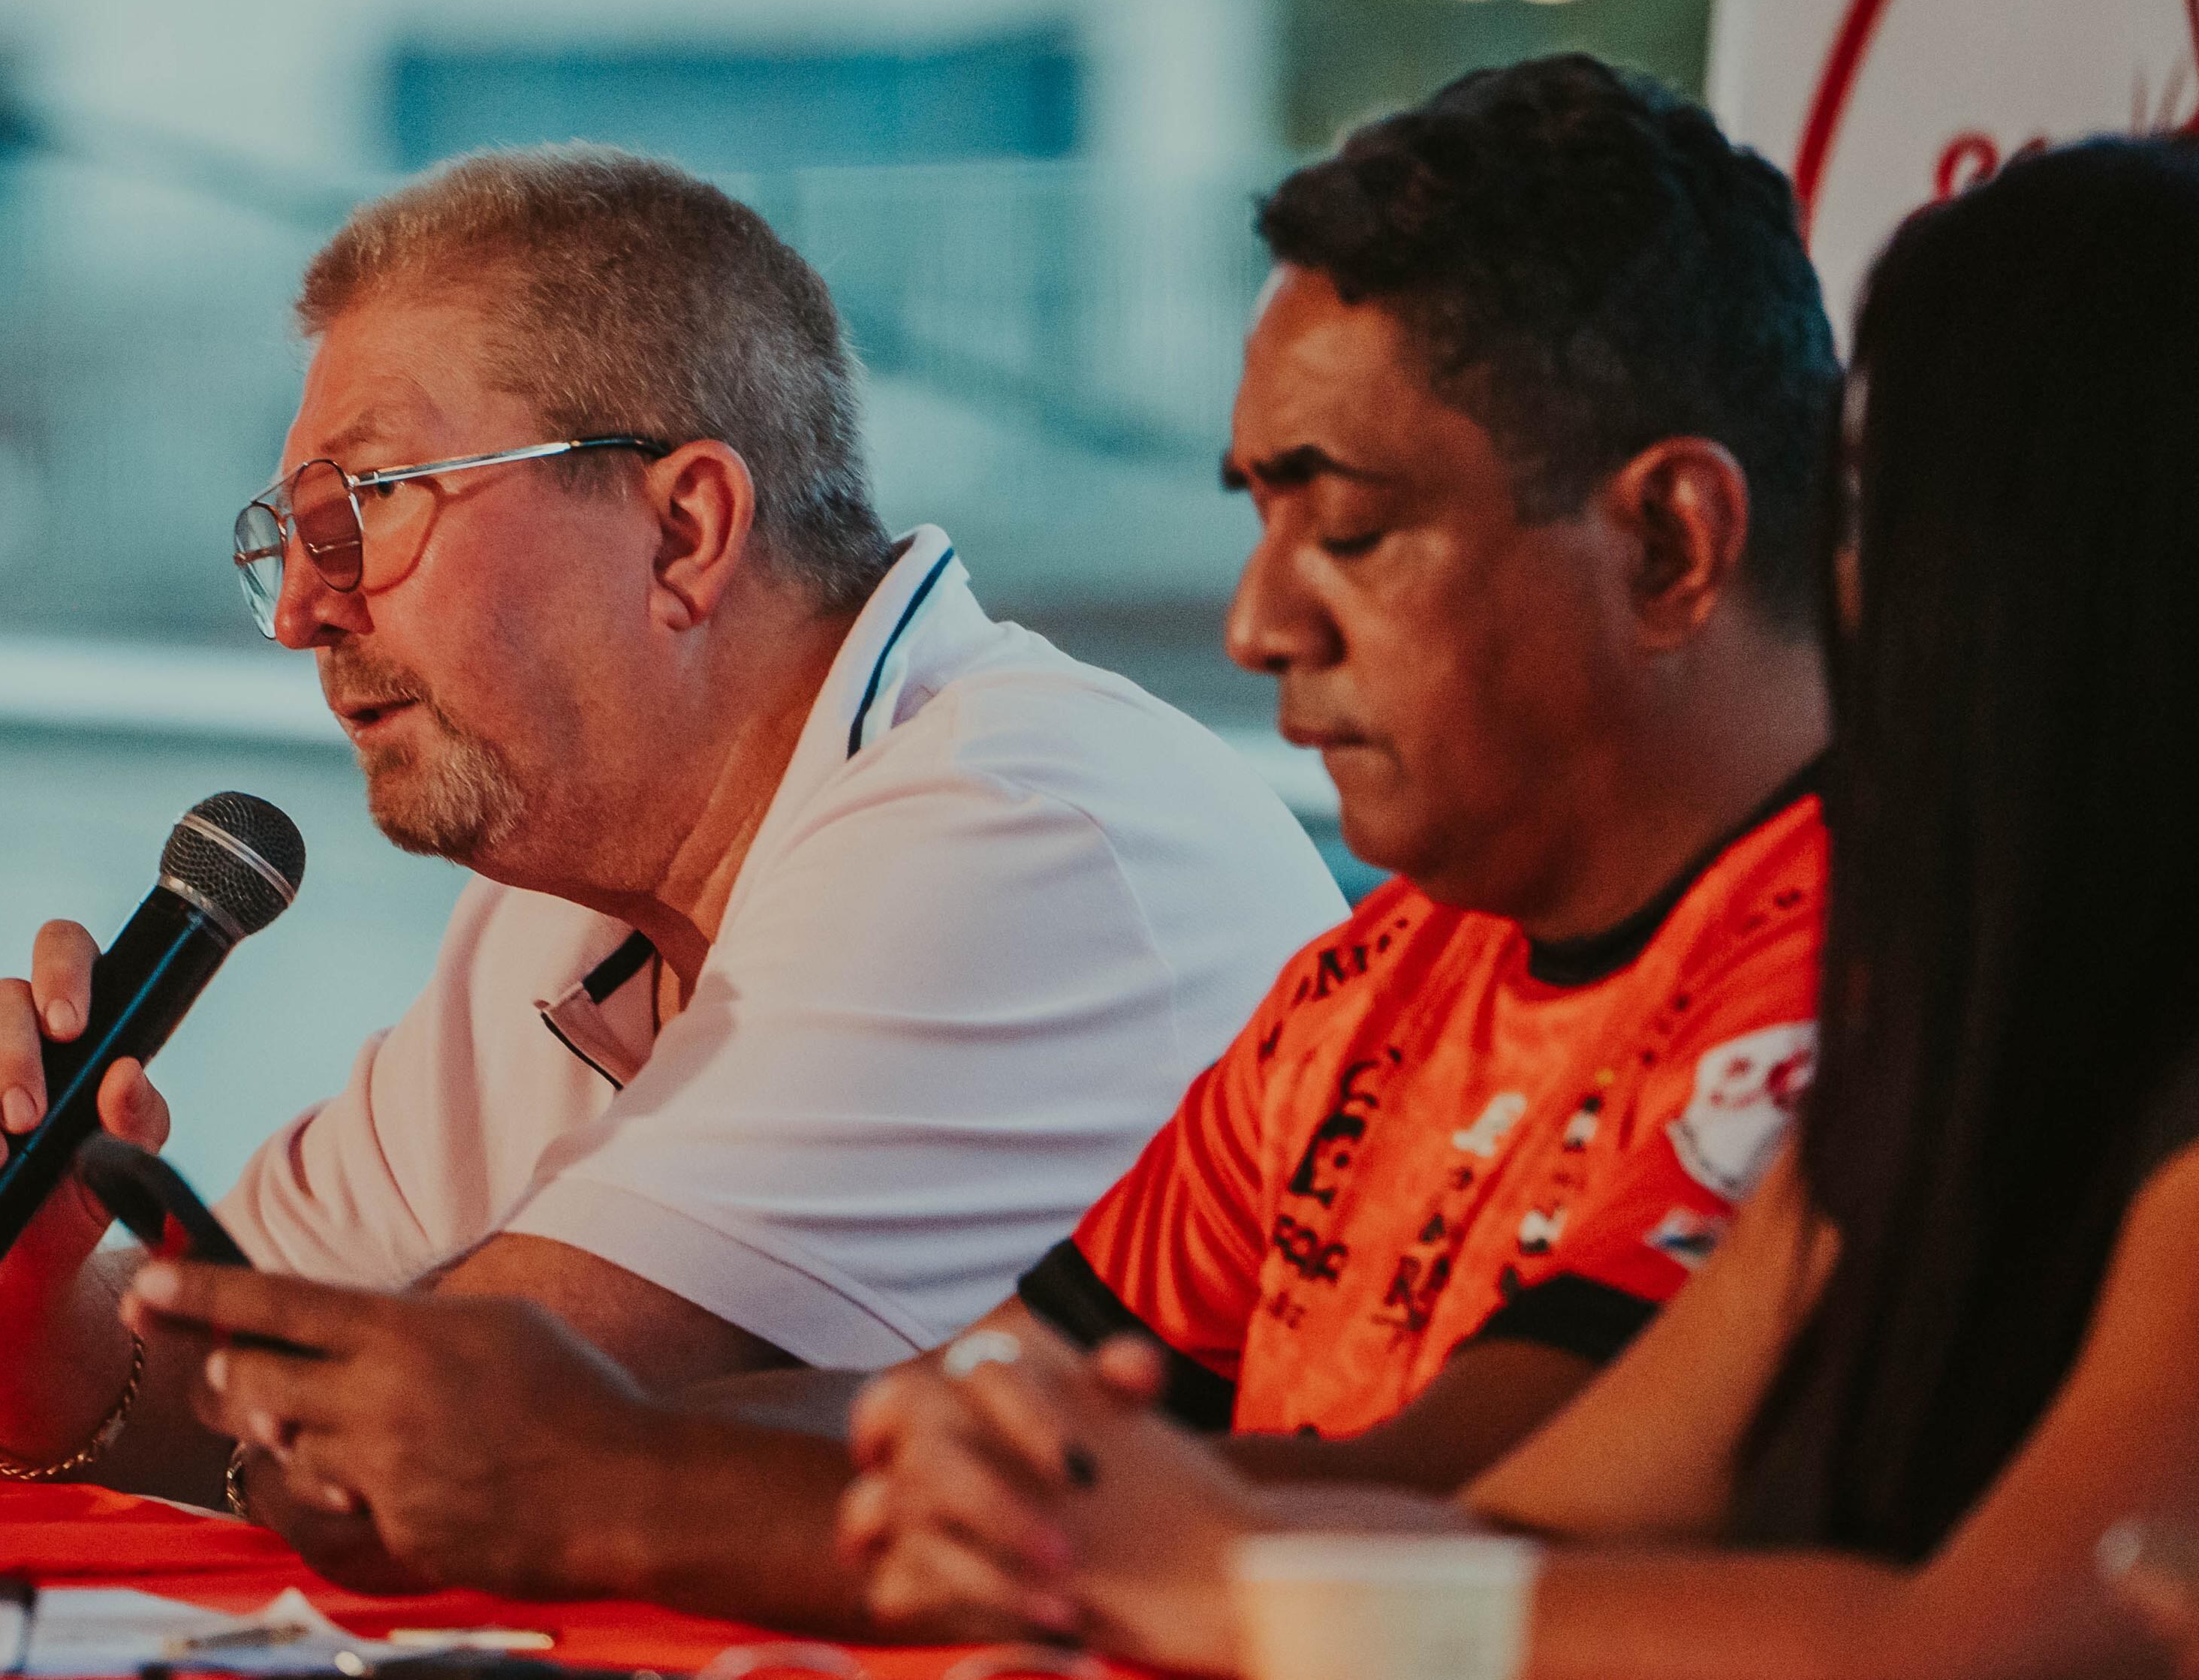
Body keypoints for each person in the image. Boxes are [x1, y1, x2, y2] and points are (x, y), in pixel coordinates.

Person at [132, 55, 1842, 1622]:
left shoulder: (1865, 970)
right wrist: (558, 1432)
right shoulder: (1378, 983)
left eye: (1356, 529)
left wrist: (613, 1472)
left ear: (1676, 543)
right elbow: (1009, 1406)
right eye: (1257, 519)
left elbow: (1470, 1516)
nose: (1255, 624)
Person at [0, 146, 1343, 1566]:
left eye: (363, 512)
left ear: (683, 529)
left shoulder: (1004, 830)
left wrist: (222, 1393)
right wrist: (21, 1307)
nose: (305, 614)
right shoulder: (567, 890)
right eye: (292, 541)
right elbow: (224, 1409)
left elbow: (403, 1456)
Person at [842, 134, 2199, 1678]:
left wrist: (1237, 1579)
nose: (1840, 592)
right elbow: (1533, 1524)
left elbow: (2000, 1647)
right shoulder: (1948, 1044)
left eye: (1887, 512)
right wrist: (1076, 1531)